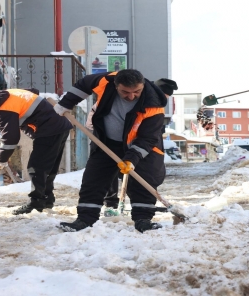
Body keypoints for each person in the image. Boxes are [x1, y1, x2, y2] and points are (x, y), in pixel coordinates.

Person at [54, 69, 168, 233]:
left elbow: (148, 138)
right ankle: (85, 220)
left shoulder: (154, 105)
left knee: (144, 182)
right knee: (93, 180)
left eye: (136, 91)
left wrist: (132, 159)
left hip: (140, 147)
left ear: (143, 85)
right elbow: (84, 84)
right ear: (116, 86)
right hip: (106, 143)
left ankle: (143, 220)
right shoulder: (105, 81)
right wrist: (66, 103)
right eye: (125, 92)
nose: (131, 96)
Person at [0, 89, 72, 215]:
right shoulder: (8, 94)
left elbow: (10, 138)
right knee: (48, 168)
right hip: (60, 126)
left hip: (49, 129)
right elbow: (34, 91)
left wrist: (1, 159)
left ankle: (36, 203)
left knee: (36, 168)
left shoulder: (2, 107)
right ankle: (47, 200)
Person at [100, 77, 178, 214]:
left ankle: (144, 204)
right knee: (115, 172)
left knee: (147, 173)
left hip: (144, 146)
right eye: (165, 94)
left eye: (167, 96)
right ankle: (112, 203)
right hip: (125, 143)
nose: (165, 98)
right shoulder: (142, 101)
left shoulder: (156, 105)